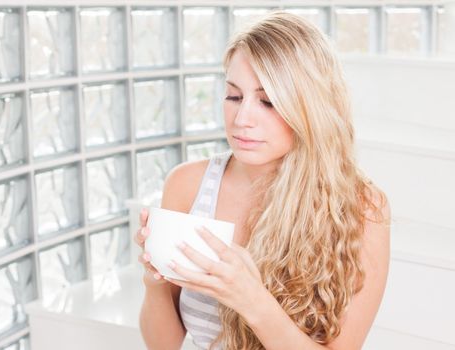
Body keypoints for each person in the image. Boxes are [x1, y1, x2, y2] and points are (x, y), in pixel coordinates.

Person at [135, 10, 390, 350]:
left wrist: (251, 300)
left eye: (268, 102)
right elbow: (163, 345)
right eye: (234, 96)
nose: (242, 119)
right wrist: (154, 281)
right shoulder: (187, 184)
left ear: (309, 107)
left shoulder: (361, 208)